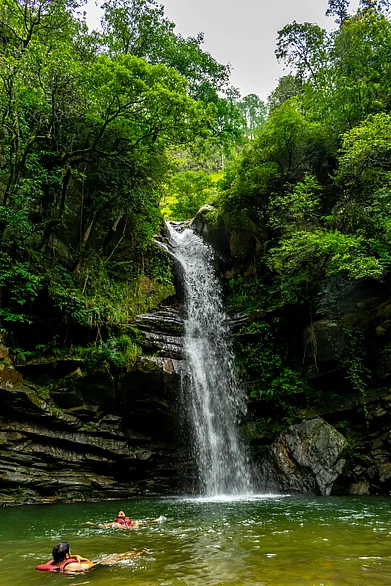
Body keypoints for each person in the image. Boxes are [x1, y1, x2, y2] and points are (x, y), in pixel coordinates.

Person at [36, 541, 148, 573]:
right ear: (66, 554)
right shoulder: (72, 566)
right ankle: (137, 554)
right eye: (70, 551)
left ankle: (130, 552)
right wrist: (80, 557)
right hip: (95, 567)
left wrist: (75, 556)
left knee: (114, 556)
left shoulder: (52, 563)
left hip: (86, 565)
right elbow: (90, 565)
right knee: (115, 559)